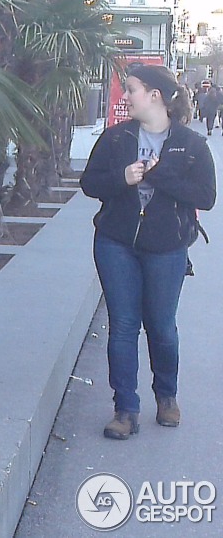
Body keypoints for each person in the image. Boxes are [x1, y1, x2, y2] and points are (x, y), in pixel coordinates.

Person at [80, 63, 215, 440]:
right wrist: (121, 179)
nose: (126, 97)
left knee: (161, 327)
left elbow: (206, 197)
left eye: (132, 89)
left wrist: (160, 175)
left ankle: (166, 396)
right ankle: (125, 408)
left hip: (167, 247)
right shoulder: (116, 138)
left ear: (154, 95)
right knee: (122, 325)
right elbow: (90, 183)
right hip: (115, 242)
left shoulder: (191, 145)